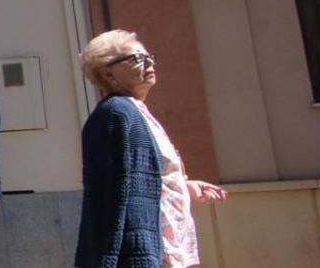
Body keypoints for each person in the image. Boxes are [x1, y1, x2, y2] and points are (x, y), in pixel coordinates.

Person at [75, 30, 228, 268]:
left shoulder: (136, 111)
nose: (149, 63)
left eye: (149, 57)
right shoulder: (115, 114)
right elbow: (112, 193)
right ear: (108, 73)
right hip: (146, 251)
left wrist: (185, 187)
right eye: (136, 59)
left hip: (166, 248)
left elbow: (145, 178)